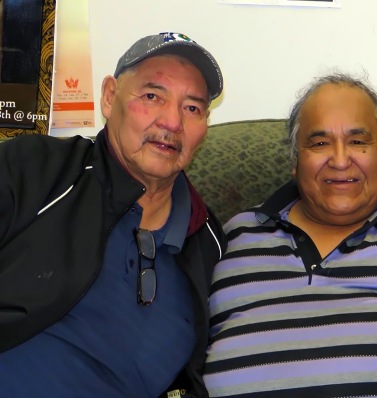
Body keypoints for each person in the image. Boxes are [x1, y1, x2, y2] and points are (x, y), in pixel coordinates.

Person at [203, 73, 377, 397]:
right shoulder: (231, 235)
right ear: (295, 161)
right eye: (319, 143)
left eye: (358, 141)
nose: (340, 161)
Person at [0, 32, 226, 398]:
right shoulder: (35, 170)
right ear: (109, 97)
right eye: (152, 96)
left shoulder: (209, 245)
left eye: (192, 108)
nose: (172, 122)